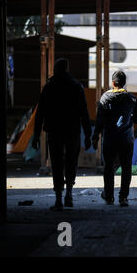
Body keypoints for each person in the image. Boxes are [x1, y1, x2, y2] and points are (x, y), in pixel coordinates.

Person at [33, 58, 92, 210]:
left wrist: (35, 135)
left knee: (57, 163)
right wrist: (87, 134)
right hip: (72, 131)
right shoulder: (76, 87)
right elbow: (84, 112)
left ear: (55, 69)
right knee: (71, 162)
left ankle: (59, 199)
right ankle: (69, 196)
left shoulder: (49, 87)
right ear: (67, 69)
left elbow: (40, 114)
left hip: (54, 131)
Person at [92, 70, 137, 207]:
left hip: (110, 139)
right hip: (126, 139)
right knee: (126, 168)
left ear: (113, 83)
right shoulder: (132, 98)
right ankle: (123, 198)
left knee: (108, 167)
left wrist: (95, 136)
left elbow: (99, 120)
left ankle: (109, 197)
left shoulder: (105, 98)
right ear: (124, 83)